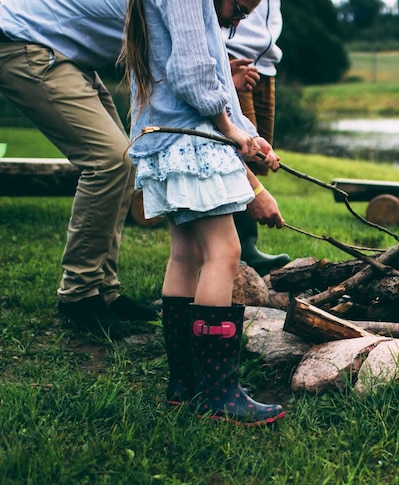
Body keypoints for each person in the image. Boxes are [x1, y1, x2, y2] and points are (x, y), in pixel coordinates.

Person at [121, 0, 286, 425]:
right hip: (191, 140)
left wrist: (251, 139)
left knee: (187, 256)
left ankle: (186, 384)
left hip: (167, 137)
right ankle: (219, 393)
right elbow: (193, 73)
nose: (240, 17)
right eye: (240, 6)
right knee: (224, 254)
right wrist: (233, 133)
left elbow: (209, 81)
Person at [0, 0, 160, 337]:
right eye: (238, 11)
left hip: (67, 53)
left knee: (124, 161)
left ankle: (103, 289)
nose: (235, 23)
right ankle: (78, 294)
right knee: (110, 161)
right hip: (26, 40)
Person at [223, 0, 291, 276]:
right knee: (236, 149)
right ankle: (239, 245)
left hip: (266, 62)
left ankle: (243, 244)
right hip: (233, 54)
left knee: (257, 154)